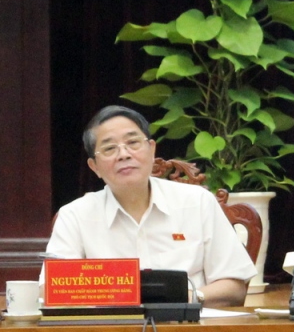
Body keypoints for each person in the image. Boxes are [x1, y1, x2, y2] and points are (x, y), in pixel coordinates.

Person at [45, 106, 256, 307]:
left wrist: (188, 298)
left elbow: (235, 287)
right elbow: (50, 291)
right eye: (109, 148)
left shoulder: (197, 202)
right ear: (94, 167)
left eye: (133, 143)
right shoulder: (74, 216)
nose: (124, 154)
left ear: (152, 149)